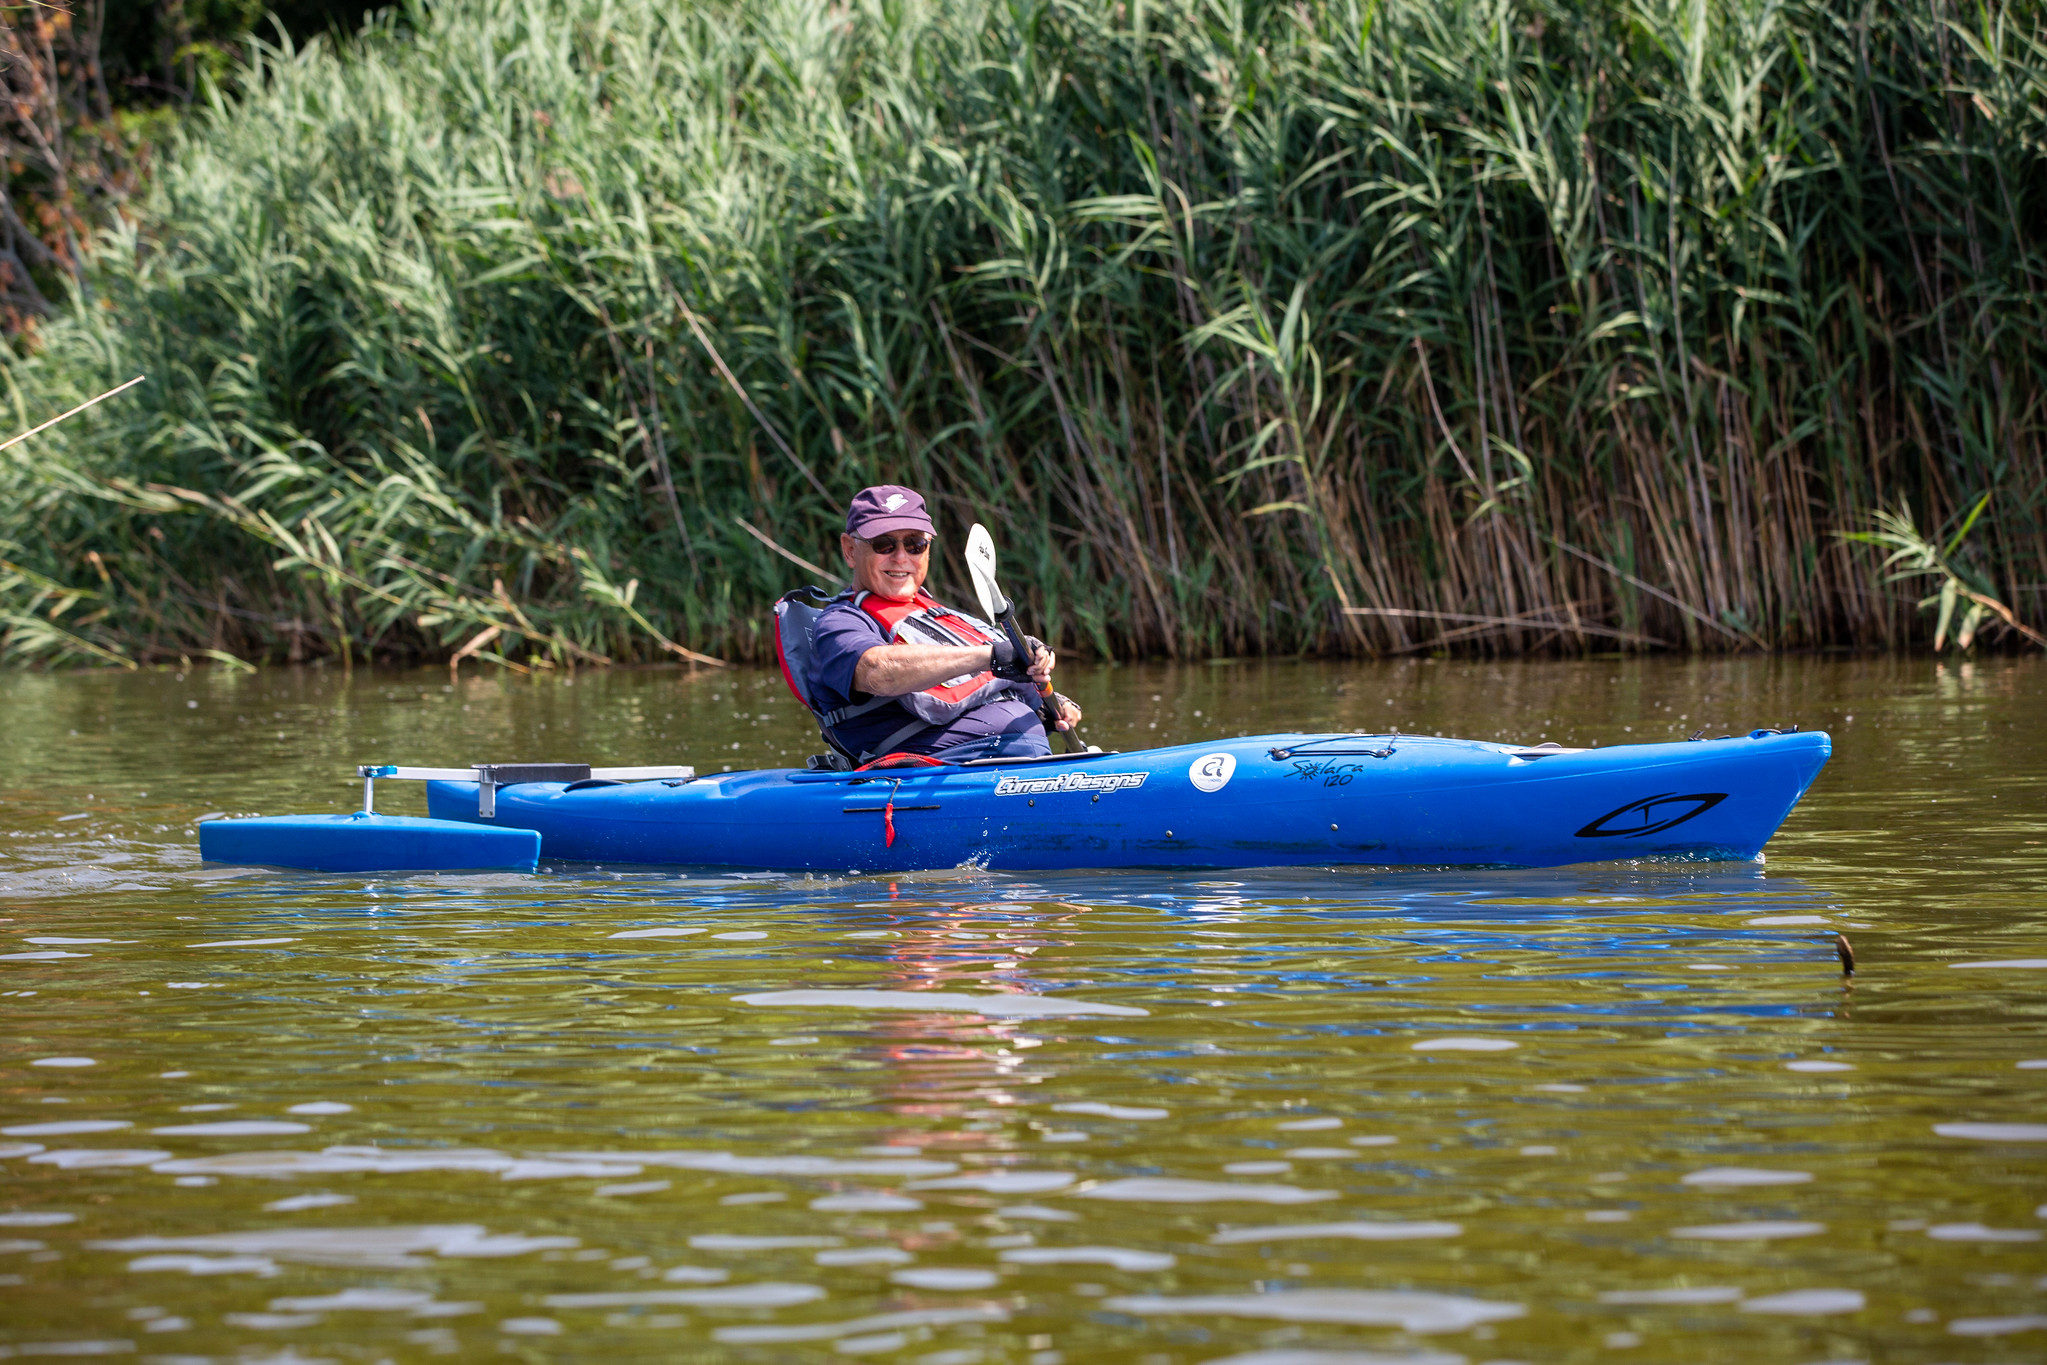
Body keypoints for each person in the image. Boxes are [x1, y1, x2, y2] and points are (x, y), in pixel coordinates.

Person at [776, 485, 1082, 764]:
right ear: (850, 550)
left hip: (1014, 762)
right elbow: (878, 672)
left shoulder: (943, 617)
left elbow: (1005, 681)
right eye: (883, 545)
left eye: (915, 544)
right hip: (929, 777)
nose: (900, 557)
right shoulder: (840, 623)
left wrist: (1048, 701)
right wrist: (990, 656)